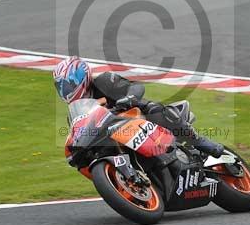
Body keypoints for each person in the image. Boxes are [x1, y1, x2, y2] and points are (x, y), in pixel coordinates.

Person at [53, 56, 225, 157]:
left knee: (158, 112)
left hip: (136, 115)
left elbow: (136, 87)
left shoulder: (104, 81)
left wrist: (129, 98)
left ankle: (202, 142)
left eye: (67, 85)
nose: (64, 90)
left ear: (80, 77)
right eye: (60, 86)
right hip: (113, 135)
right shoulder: (74, 113)